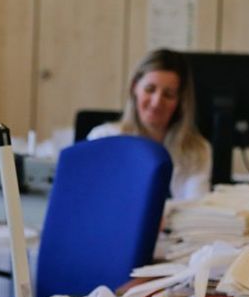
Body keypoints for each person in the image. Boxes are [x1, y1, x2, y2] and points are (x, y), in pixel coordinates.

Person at [87, 48, 212, 201]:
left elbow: (196, 207)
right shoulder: (103, 138)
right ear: (134, 88)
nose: (157, 102)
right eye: (149, 89)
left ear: (180, 100)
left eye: (168, 95)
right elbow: (95, 200)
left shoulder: (197, 150)